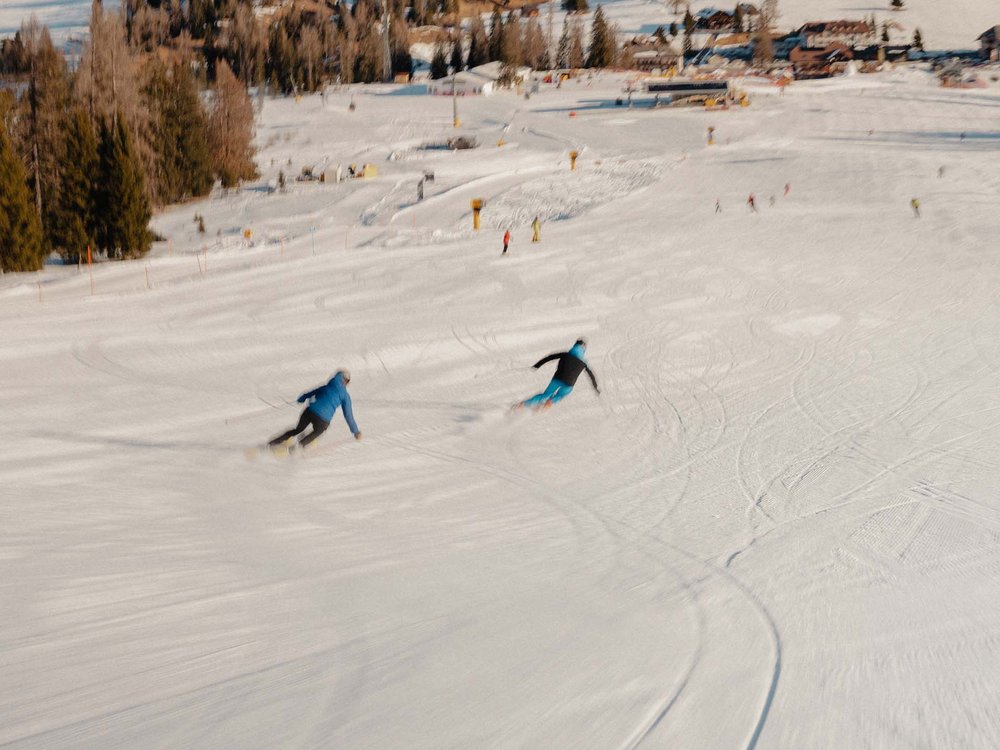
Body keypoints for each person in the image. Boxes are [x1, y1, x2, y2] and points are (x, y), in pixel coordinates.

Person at [268, 370, 361, 450]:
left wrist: (301, 399)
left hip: (309, 411)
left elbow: (311, 392)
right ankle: (298, 447)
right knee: (318, 431)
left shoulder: (326, 386)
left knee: (298, 429)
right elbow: (348, 415)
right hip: (323, 419)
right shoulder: (345, 396)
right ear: (346, 381)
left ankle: (274, 442)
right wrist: (355, 431)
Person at [515, 339, 600, 411]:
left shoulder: (565, 354)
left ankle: (522, 405)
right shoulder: (584, 363)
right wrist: (595, 387)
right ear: (583, 349)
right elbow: (591, 375)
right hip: (569, 384)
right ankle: (549, 403)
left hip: (557, 379)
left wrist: (537, 365)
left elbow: (549, 357)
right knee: (561, 395)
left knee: (545, 394)